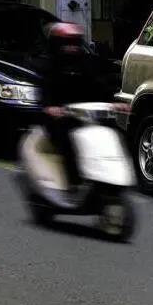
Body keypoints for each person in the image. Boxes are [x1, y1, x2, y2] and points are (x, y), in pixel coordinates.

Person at [42, 22, 106, 187]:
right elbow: (46, 91)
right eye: (66, 42)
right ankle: (72, 182)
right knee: (67, 138)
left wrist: (113, 104)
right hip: (60, 119)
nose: (71, 47)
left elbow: (98, 86)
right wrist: (52, 108)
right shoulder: (51, 65)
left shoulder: (86, 64)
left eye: (74, 42)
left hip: (83, 116)